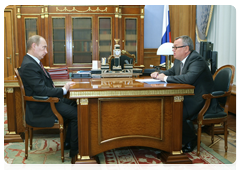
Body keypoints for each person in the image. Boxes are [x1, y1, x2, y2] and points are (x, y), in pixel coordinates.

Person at [151, 35, 223, 153]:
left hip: (201, 99)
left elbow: (188, 79)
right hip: (187, 95)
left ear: (186, 49)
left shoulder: (196, 60)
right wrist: (158, 74)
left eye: (175, 47)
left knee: (175, 111)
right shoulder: (179, 61)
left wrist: (165, 78)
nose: (173, 49)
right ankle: (168, 139)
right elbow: (171, 72)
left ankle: (192, 140)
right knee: (166, 107)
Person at [19, 35, 78, 157]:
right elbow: (41, 90)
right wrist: (63, 90)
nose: (46, 51)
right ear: (34, 46)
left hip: (48, 101)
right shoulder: (29, 65)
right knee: (78, 115)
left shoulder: (33, 62)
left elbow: (44, 86)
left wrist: (62, 90)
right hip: (43, 105)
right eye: (44, 48)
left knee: (76, 104)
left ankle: (68, 143)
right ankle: (75, 151)